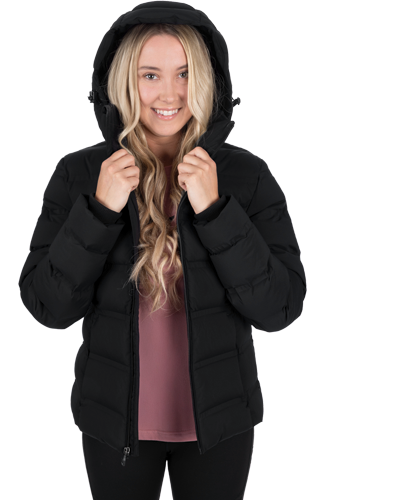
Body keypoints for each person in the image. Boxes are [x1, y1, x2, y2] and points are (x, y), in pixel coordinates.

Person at [18, 2, 306, 499]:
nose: (169, 94)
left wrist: (216, 210)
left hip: (221, 422)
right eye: (150, 75)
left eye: (185, 73)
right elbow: (49, 306)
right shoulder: (79, 175)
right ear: (124, 81)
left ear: (208, 81)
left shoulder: (247, 177)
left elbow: (279, 309)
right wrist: (99, 211)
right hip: (114, 423)